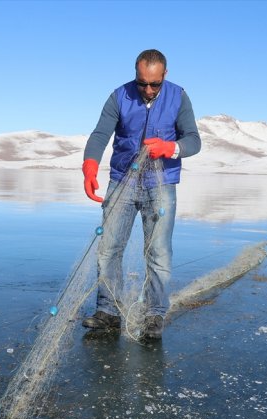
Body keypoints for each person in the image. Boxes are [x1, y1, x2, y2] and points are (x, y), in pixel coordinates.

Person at [81, 49, 201, 339]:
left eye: (154, 84)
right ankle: (108, 311)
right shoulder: (119, 96)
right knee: (108, 249)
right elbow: (100, 135)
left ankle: (154, 315)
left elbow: (193, 140)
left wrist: (170, 148)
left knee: (158, 253)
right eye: (142, 83)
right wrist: (89, 165)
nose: (147, 89)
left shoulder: (179, 97)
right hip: (122, 181)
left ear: (165, 76)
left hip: (160, 184)